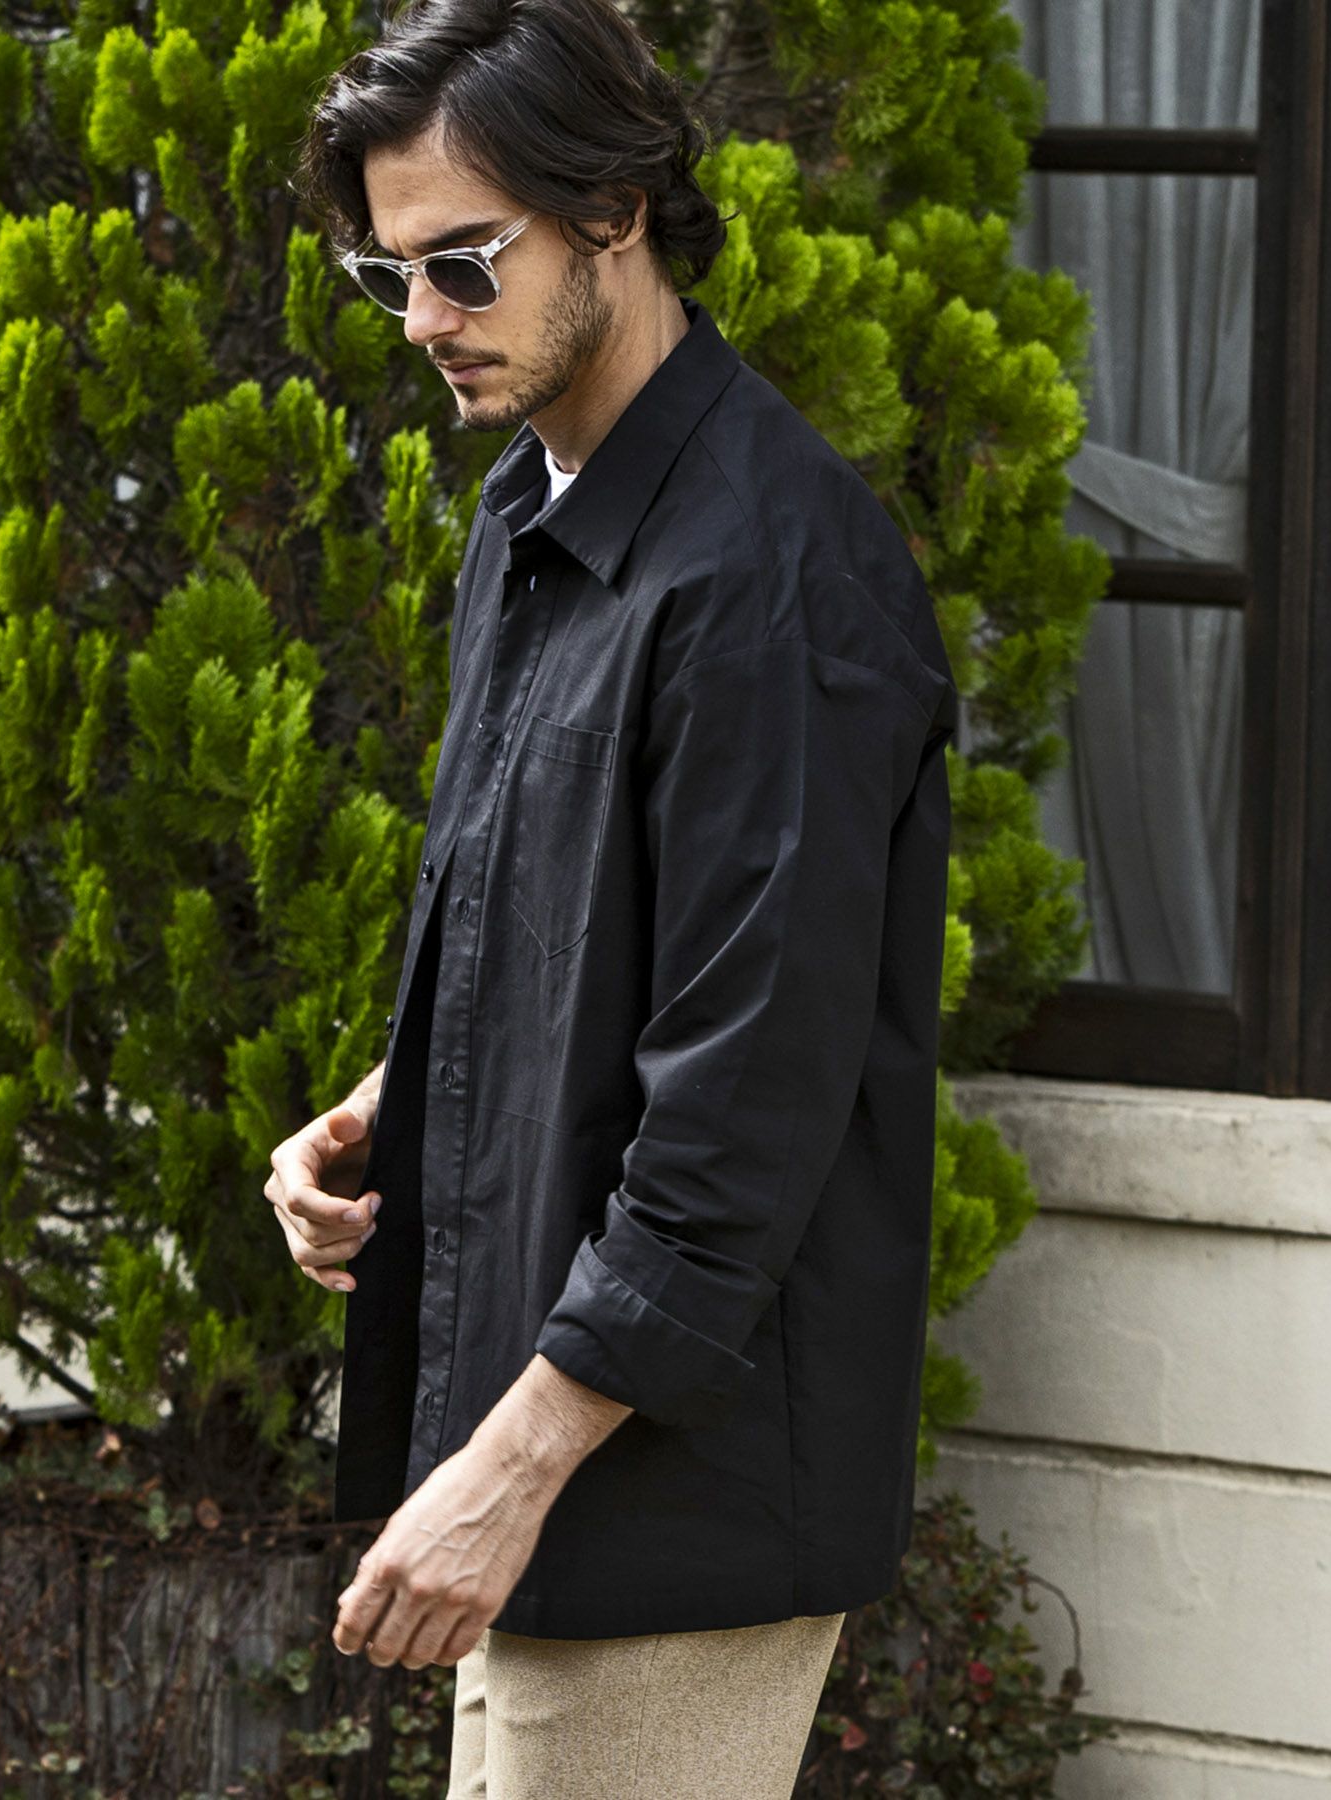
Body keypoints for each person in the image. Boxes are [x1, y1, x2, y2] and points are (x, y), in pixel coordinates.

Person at [275, 1, 958, 1793]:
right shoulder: (536, 512)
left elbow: (746, 1104)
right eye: (389, 275)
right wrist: (388, 1108)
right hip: (542, 1450)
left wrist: (507, 1474)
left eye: (463, 264)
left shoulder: (772, 579)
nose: (423, 321)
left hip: (670, 1502)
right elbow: (578, 939)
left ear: (616, 208)